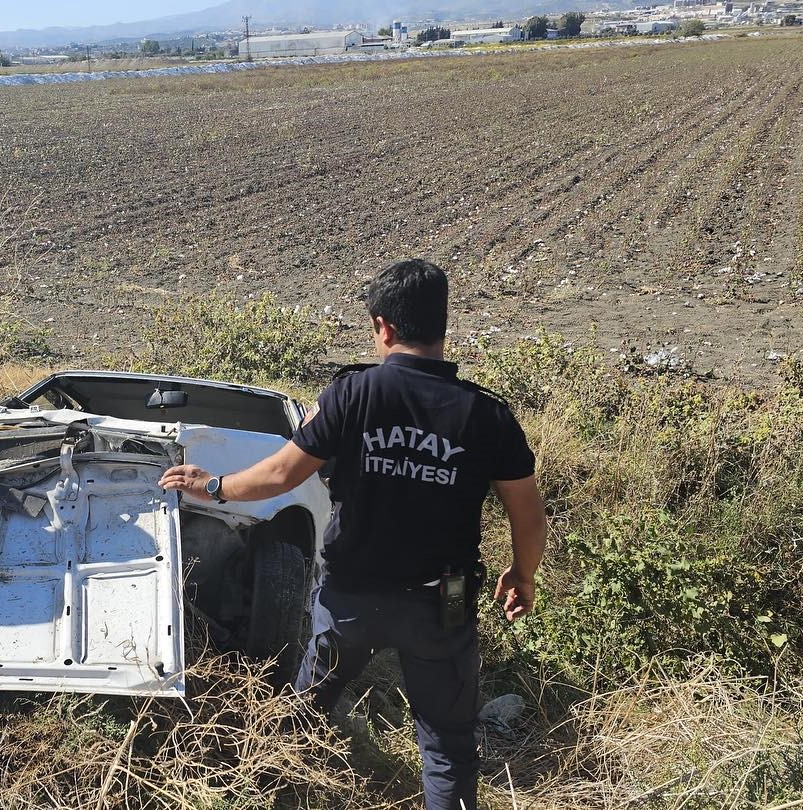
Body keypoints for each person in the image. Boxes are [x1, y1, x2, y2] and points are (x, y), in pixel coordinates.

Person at [158, 258, 546, 810]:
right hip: (446, 602)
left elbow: (279, 475)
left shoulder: (353, 394)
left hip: (351, 598)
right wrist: (522, 574)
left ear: (383, 327)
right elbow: (528, 515)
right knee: (447, 748)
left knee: (305, 717)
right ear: (442, 325)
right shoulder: (488, 416)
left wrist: (213, 485)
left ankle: (276, 796)